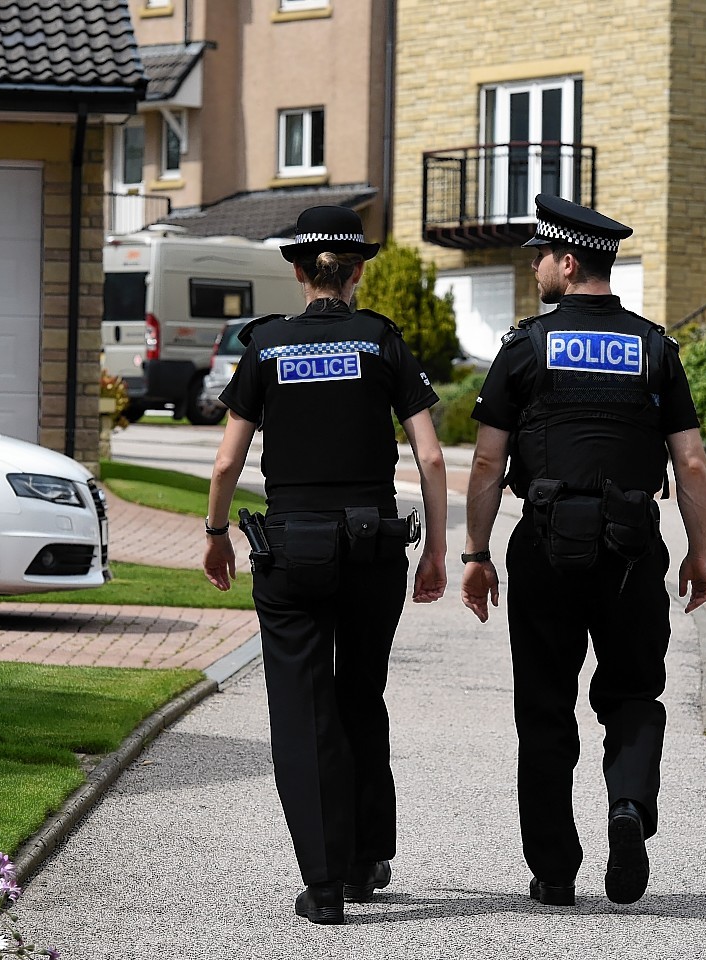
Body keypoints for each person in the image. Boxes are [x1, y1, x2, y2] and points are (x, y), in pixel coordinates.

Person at [459, 193, 706, 907]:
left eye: (540, 257)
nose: (535, 268)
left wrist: (475, 553)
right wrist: (698, 551)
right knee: (634, 692)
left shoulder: (524, 347)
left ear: (568, 263)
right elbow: (689, 464)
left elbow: (485, 464)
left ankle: (554, 870)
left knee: (544, 708)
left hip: (544, 548)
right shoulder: (655, 348)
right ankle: (629, 806)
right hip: (633, 549)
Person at [202, 205, 449, 925]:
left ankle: (325, 884)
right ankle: (368, 857)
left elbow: (226, 460)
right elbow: (431, 455)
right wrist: (437, 548)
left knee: (304, 716)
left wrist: (217, 532)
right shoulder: (382, 343)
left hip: (294, 551)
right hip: (374, 547)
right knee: (361, 697)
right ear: (358, 272)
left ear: (298, 270)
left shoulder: (268, 347)